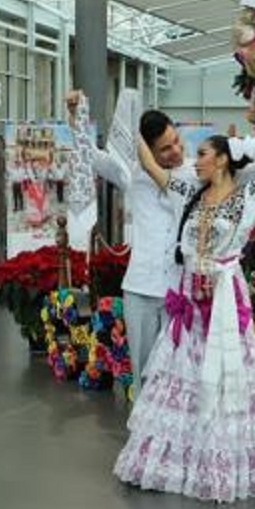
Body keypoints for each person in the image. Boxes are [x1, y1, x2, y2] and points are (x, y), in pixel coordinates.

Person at [112, 83, 255, 502]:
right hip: (189, 304)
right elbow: (149, 165)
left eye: (202, 154)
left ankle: (220, 465)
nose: (194, 160)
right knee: (176, 379)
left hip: (224, 301)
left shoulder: (248, 194)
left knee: (223, 380)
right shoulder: (189, 191)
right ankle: (172, 461)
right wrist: (127, 115)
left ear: (222, 160)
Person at [66, 90, 191, 389]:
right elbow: (92, 156)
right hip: (140, 287)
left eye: (176, 141)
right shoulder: (132, 174)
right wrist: (76, 115)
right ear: (147, 151)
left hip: (179, 290)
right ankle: (144, 433)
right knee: (144, 372)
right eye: (165, 149)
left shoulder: (194, 175)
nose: (175, 151)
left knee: (179, 373)